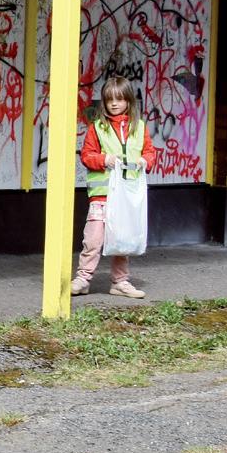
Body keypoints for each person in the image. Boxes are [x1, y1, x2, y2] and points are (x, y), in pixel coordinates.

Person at [70, 75, 157, 299]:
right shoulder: (97, 128)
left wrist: (145, 161)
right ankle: (83, 278)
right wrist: (103, 159)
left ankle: (120, 282)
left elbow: (150, 152)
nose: (114, 104)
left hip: (127, 196)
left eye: (119, 99)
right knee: (93, 238)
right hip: (102, 194)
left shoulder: (139, 128)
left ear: (128, 101)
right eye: (110, 100)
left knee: (122, 239)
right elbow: (87, 156)